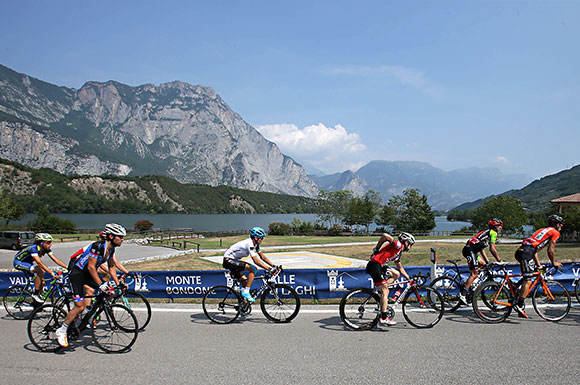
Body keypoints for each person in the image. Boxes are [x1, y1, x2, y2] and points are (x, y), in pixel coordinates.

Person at [55, 223, 127, 348]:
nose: (122, 239)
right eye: (120, 237)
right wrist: (100, 285)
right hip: (77, 274)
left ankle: (91, 314)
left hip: (87, 274)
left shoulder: (111, 249)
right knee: (79, 306)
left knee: (110, 292)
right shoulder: (97, 246)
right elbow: (91, 267)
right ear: (111, 236)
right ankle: (62, 330)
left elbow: (111, 267)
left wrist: (118, 283)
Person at [512, 214, 564, 318]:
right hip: (526, 253)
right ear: (557, 224)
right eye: (561, 224)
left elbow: (534, 248)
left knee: (530, 273)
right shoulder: (555, 233)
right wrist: (554, 262)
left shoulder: (541, 230)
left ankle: (515, 287)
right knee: (528, 280)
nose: (561, 226)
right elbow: (550, 251)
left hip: (522, 251)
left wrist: (538, 264)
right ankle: (520, 305)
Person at [365, 232, 415, 326]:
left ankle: (381, 292)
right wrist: (377, 249)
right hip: (375, 265)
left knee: (396, 274)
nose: (410, 248)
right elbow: (385, 236)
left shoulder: (398, 253)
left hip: (379, 266)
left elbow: (400, 268)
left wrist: (409, 278)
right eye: (410, 245)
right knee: (385, 291)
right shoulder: (398, 245)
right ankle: (383, 317)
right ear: (406, 242)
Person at [222, 227, 278, 303]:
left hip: (234, 260)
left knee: (245, 284)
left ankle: (242, 307)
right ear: (256, 237)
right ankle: (245, 292)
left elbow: (262, 256)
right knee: (253, 268)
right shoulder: (249, 243)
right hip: (228, 260)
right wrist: (268, 268)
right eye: (261, 238)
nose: (263, 239)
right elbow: (256, 261)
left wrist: (273, 266)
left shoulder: (256, 245)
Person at [13, 233, 68, 302]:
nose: (50, 244)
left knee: (42, 283)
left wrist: (67, 267)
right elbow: (39, 263)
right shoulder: (33, 248)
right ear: (41, 243)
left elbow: (55, 259)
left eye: (51, 242)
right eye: (48, 242)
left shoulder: (45, 249)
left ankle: (37, 304)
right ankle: (35, 294)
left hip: (28, 263)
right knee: (41, 271)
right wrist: (52, 273)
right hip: (19, 262)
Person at [460, 218, 504, 304]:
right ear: (495, 227)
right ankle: (463, 294)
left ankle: (472, 284)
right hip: (470, 251)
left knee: (484, 265)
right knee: (474, 273)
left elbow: (482, 249)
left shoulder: (487, 233)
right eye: (500, 227)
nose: (501, 229)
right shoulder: (493, 233)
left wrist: (487, 262)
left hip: (472, 251)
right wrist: (499, 260)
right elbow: (492, 248)